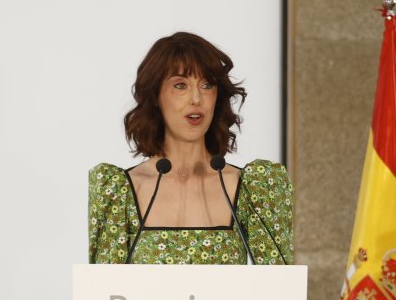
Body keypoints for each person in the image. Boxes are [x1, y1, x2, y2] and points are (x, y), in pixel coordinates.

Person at [89, 32, 293, 265]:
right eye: (180, 85)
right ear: (155, 95)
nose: (196, 98)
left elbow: (280, 285)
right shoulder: (119, 192)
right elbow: (102, 287)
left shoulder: (252, 188)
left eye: (207, 85)